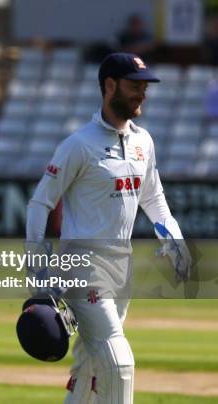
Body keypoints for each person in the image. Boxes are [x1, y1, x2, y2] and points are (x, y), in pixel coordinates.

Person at [25, 53, 191, 404]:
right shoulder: (78, 145)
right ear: (110, 86)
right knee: (118, 363)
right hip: (83, 267)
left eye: (144, 87)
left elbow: (155, 199)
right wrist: (36, 266)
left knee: (89, 366)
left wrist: (173, 237)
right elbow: (40, 202)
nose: (141, 94)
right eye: (134, 86)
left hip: (121, 267)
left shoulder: (143, 142)